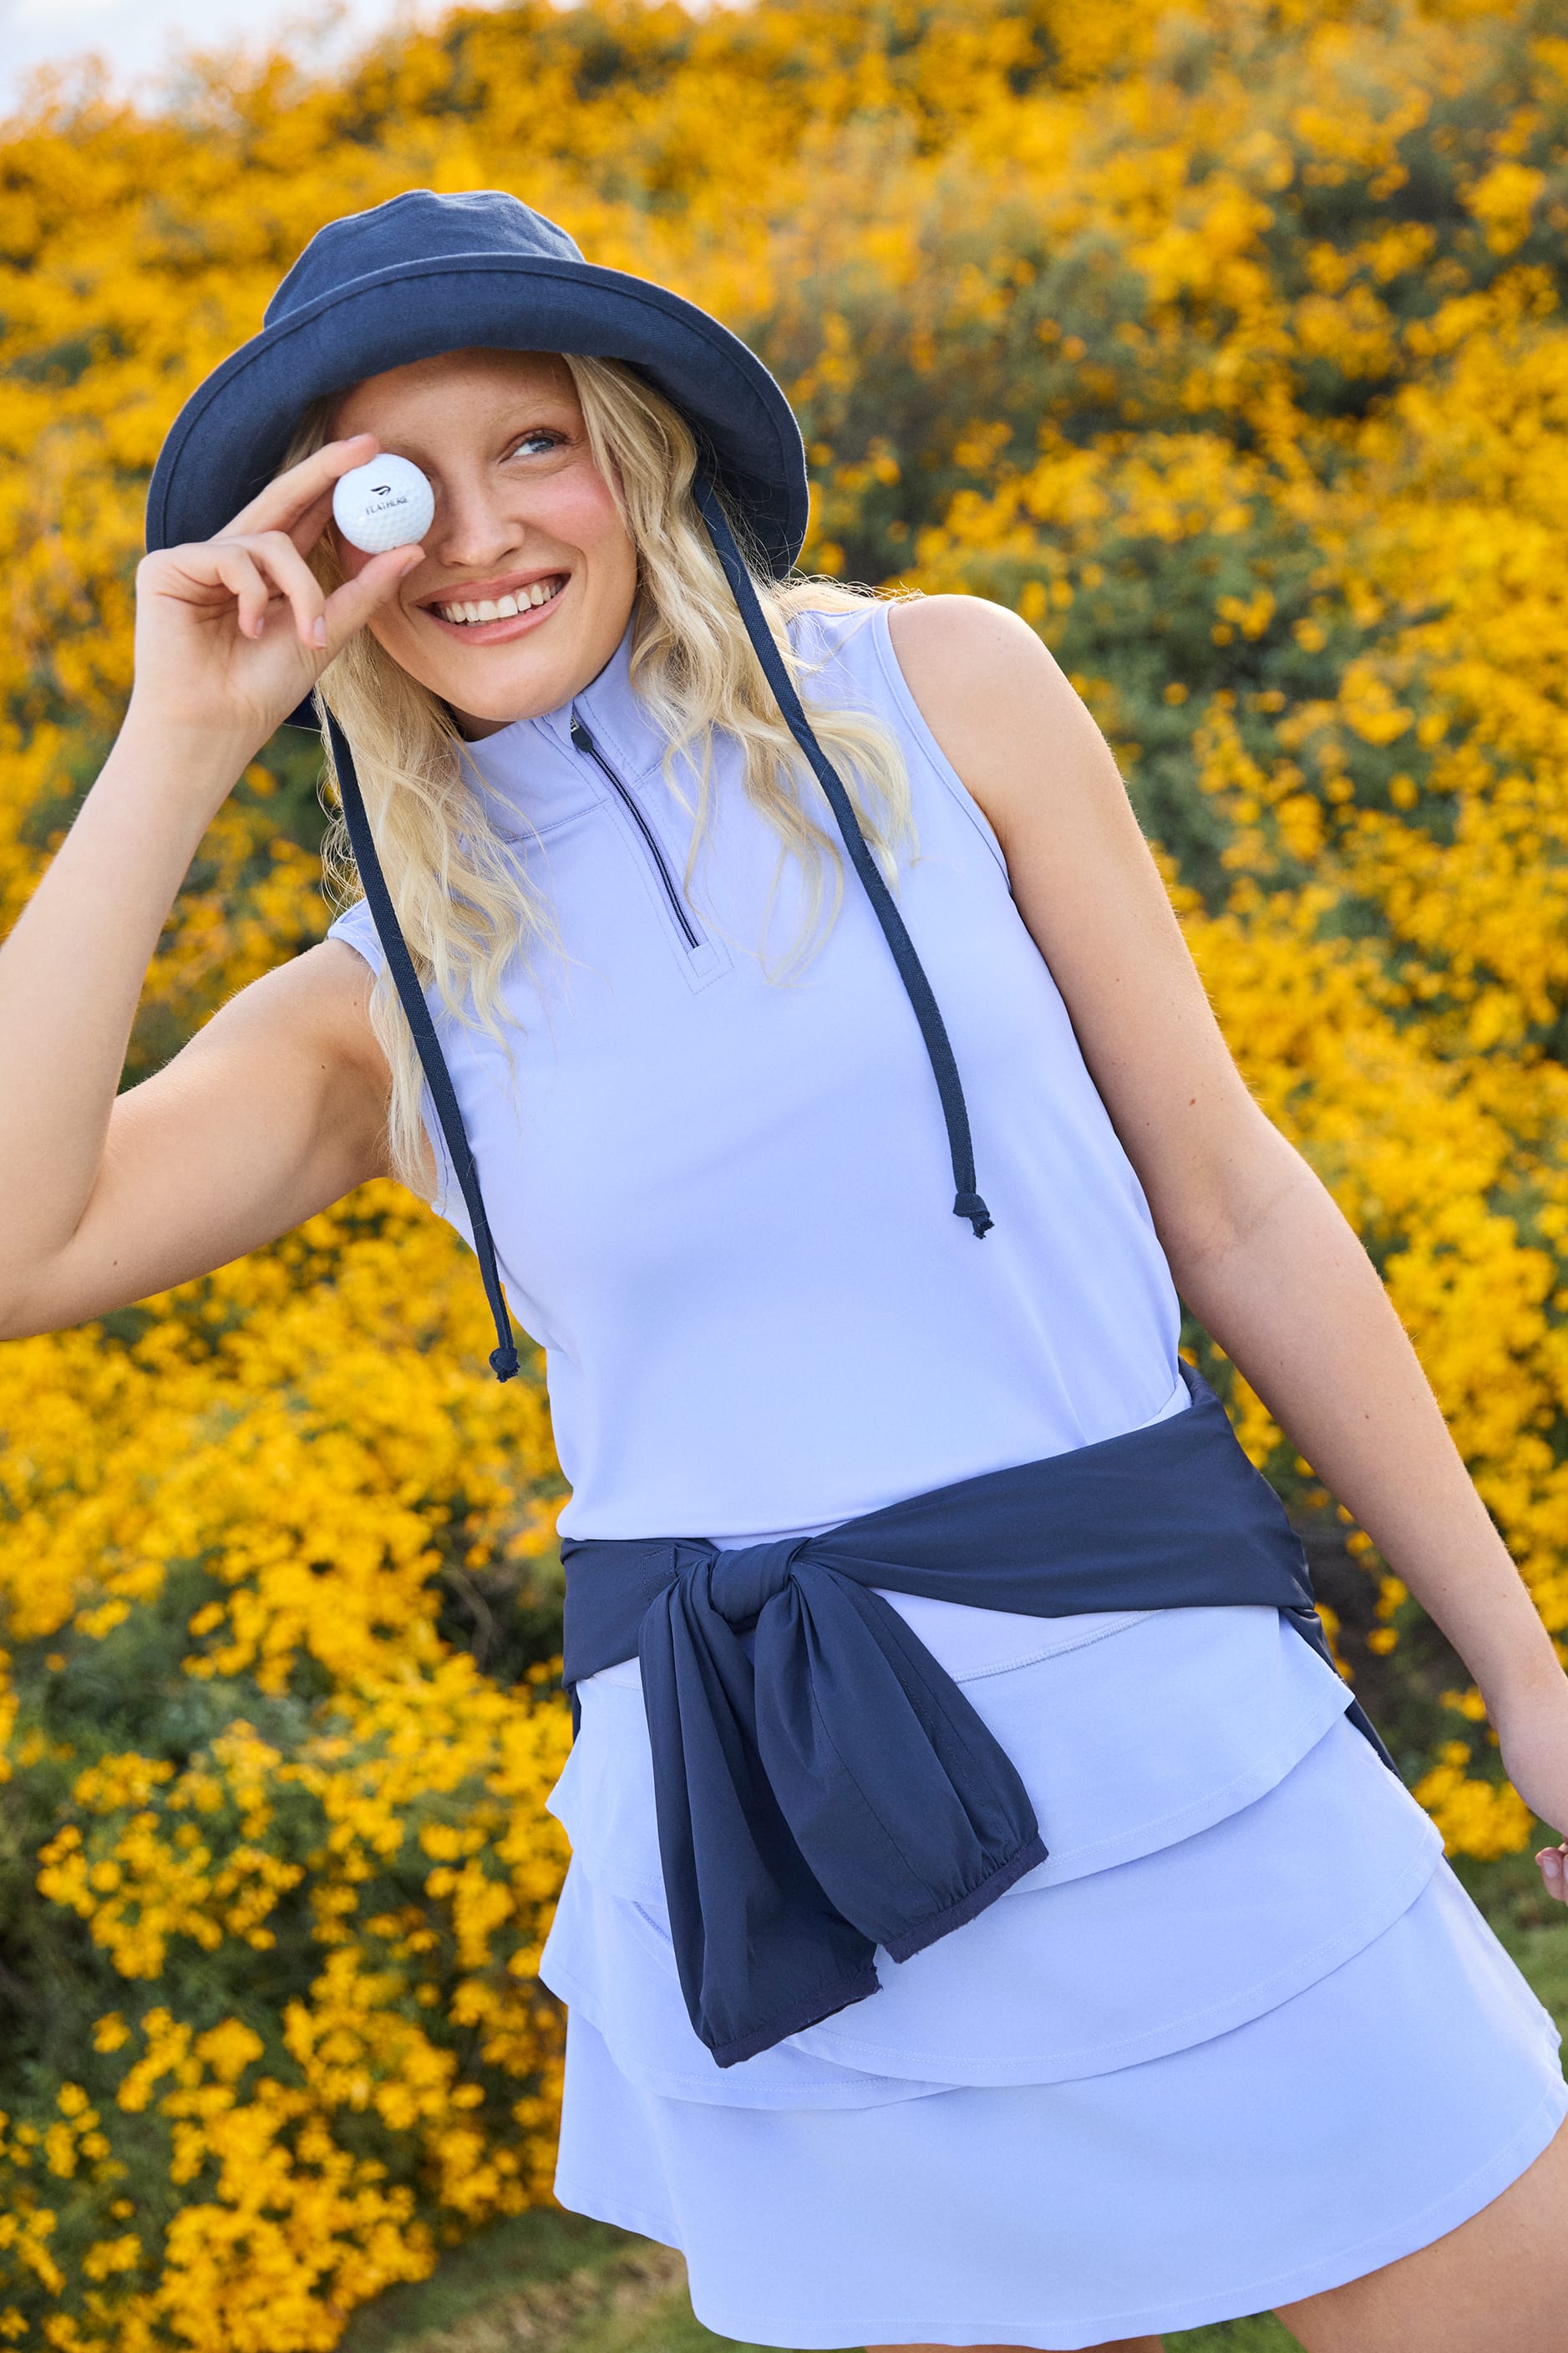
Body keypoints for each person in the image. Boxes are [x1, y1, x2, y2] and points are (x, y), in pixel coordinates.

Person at [0, 189, 1565, 2353]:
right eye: (392, 483)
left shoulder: (943, 691)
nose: (474, 534)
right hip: (774, 1853)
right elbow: (19, 1237)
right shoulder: (379, 1008)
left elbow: (1239, 1203)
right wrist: (182, 730)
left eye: (531, 442)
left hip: (1168, 1740)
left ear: (634, 446)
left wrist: (1528, 1671)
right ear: (319, 537)